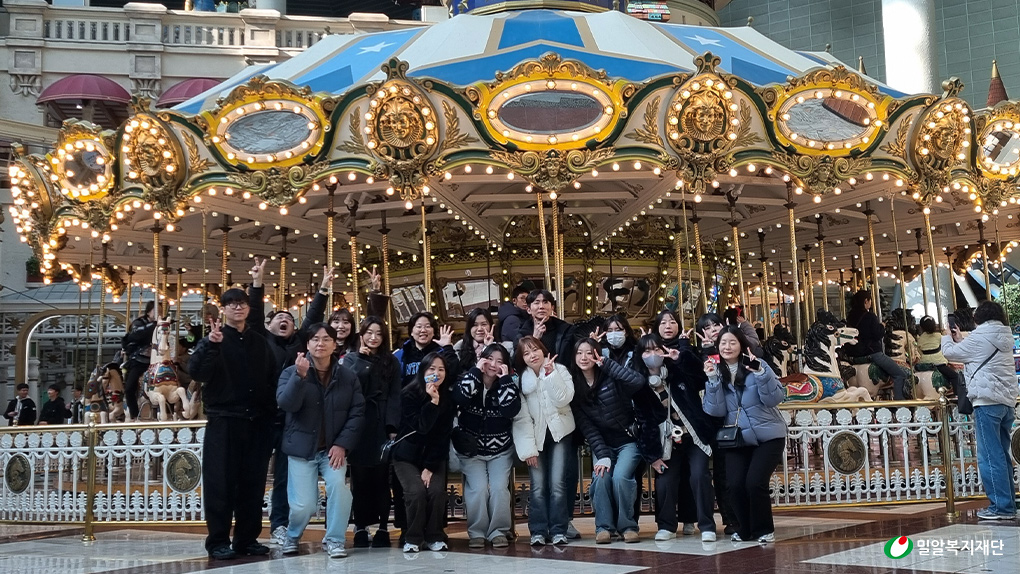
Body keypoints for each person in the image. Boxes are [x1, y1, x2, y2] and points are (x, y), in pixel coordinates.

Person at [188, 283, 278, 560]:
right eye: (232, 304)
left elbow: (270, 379)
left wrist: (270, 417)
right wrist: (211, 346)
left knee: (253, 482)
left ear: (248, 308)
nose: (238, 307)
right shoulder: (213, 340)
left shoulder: (259, 342)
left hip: (255, 421)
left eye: (242, 303)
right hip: (224, 420)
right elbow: (198, 373)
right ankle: (217, 540)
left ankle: (246, 538)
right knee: (220, 482)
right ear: (224, 309)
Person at [249, 260, 332, 547]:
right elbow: (254, 314)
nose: (284, 320)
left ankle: (280, 525)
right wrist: (257, 284)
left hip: (289, 421)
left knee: (284, 477)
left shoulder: (299, 344)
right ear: (269, 324)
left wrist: (323, 289)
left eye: (289, 318)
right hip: (263, 418)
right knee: (256, 474)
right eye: (279, 317)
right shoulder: (261, 340)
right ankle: (248, 528)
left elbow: (313, 317)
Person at [276, 323, 365, 558]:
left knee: (339, 488)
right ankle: (292, 535)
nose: (320, 343)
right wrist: (299, 377)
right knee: (304, 505)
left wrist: (342, 444)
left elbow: (357, 412)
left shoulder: (348, 376)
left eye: (326, 339)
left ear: (335, 344)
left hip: (332, 449)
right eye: (315, 339)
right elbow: (286, 404)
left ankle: (335, 539)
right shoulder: (291, 372)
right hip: (301, 448)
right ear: (307, 344)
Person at [702, 326, 787, 544]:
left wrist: (761, 374)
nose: (727, 347)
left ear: (741, 345)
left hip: (768, 435)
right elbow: (715, 411)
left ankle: (764, 529)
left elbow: (774, 399)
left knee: (755, 482)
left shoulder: (758, 365)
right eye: (723, 343)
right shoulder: (716, 371)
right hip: (737, 437)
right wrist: (712, 382)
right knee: (734, 484)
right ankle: (743, 528)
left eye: (732, 342)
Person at [637, 333, 721, 542]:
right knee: (665, 481)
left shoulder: (678, 373)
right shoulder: (639, 385)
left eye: (656, 349)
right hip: (666, 442)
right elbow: (644, 422)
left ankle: (707, 525)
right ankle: (666, 525)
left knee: (699, 475)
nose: (653, 354)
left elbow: (701, 378)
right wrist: (652, 456)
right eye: (647, 350)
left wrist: (681, 357)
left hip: (694, 435)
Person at [941, 300, 1018, 520]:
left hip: (986, 401)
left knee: (990, 456)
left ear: (978, 318)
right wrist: (961, 339)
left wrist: (946, 336)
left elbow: (950, 353)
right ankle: (1008, 502)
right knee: (1001, 454)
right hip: (1006, 402)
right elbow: (977, 350)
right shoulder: (1003, 336)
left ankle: (1000, 507)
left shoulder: (980, 336)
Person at [569, 337, 646, 543]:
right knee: (601, 477)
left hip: (628, 441)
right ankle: (603, 527)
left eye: (589, 352)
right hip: (602, 444)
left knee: (621, 477)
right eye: (579, 353)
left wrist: (608, 364)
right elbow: (586, 426)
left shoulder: (610, 375)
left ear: (597, 354)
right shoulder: (574, 386)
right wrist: (602, 454)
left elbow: (638, 382)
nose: (584, 357)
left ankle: (628, 526)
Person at [453, 343, 521, 549]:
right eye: (490, 359)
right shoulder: (469, 378)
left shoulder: (508, 383)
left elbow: (511, 410)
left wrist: (506, 379)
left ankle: (498, 531)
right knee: (479, 489)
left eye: (499, 361)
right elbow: (459, 398)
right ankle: (477, 532)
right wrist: (475, 371)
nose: (493, 364)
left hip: (500, 449)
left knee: (499, 488)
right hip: (471, 450)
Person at [343, 316, 402, 548]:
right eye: (369, 332)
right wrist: (361, 359)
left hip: (380, 420)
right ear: (361, 335)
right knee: (359, 479)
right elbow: (349, 385)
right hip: (359, 421)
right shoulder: (351, 358)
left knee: (381, 478)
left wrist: (392, 426)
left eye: (378, 333)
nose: (373, 337)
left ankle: (383, 527)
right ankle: (360, 526)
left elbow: (395, 394)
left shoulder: (391, 361)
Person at [512, 336, 575, 546]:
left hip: (560, 434)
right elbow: (521, 418)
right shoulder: (522, 380)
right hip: (535, 437)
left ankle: (558, 530)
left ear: (543, 349)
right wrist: (527, 449)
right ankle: (538, 531)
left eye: (535, 349)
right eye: (526, 353)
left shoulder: (560, 369)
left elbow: (564, 399)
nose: (532, 355)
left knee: (557, 484)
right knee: (537, 486)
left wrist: (550, 375)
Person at [392, 352, 456, 553]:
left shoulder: (448, 399)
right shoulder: (408, 394)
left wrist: (429, 467)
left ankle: (435, 536)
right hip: (406, 456)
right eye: (432, 369)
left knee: (436, 491)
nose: (436, 373)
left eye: (441, 369)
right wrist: (432, 402)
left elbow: (443, 436)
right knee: (416, 491)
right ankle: (413, 537)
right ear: (422, 371)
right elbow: (421, 427)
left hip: (433, 456)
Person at [696, 312, 739, 536]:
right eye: (707, 327)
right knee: (722, 471)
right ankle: (729, 517)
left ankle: (744, 514)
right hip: (713, 419)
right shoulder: (701, 355)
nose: (712, 330)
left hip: (736, 416)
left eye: (716, 325)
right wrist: (707, 351)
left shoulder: (735, 351)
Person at [843, 290, 908, 399]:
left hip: (854, 355)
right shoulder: (870, 316)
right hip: (872, 353)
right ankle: (900, 403)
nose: (871, 303)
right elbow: (877, 335)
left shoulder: (850, 317)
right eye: (870, 300)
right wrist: (882, 326)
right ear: (866, 301)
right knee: (900, 374)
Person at [514, 290, 576, 364]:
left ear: (552, 307)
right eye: (537, 303)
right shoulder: (522, 333)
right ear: (528, 309)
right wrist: (534, 339)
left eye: (545, 302)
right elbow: (516, 362)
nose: (541, 306)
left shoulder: (566, 329)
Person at [917, 315, 967, 406]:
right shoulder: (939, 336)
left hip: (925, 363)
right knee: (954, 376)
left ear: (922, 327)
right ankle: (957, 395)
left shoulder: (920, 338)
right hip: (939, 363)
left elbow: (919, 351)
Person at [122, 300, 157, 420]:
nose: (159, 313)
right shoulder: (139, 323)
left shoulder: (161, 324)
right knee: (129, 387)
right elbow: (136, 335)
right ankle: (134, 414)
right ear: (149, 312)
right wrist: (153, 326)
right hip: (139, 360)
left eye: (161, 311)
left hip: (156, 360)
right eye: (156, 310)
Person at [455, 309, 514, 378]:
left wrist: (489, 347)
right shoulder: (459, 348)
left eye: (484, 324)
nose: (480, 329)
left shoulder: (504, 349)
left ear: (491, 326)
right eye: (475, 325)